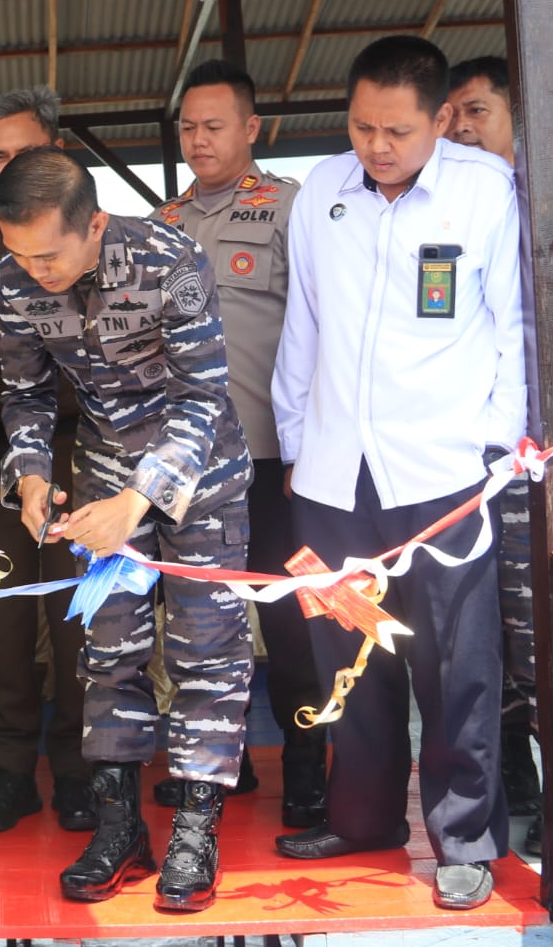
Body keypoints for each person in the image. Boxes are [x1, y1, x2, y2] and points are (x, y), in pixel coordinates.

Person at [271, 35, 524, 912]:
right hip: (336, 476)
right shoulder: (322, 193)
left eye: (398, 131)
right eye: (361, 126)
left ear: (441, 119)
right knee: (346, 648)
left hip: (444, 471)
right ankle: (365, 816)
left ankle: (463, 837)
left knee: (458, 663)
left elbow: (512, 326)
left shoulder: (484, 190)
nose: (377, 146)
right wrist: (299, 441)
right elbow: (302, 321)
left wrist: (496, 445)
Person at [0, 147, 253, 912]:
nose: (33, 271)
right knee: (108, 651)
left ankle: (196, 831)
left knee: (208, 651)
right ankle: (119, 826)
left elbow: (203, 398)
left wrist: (138, 501)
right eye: (19, 254)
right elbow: (25, 392)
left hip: (199, 477)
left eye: (48, 254)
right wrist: (32, 474)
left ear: (94, 224)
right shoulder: (11, 276)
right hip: (103, 468)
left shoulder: (170, 262)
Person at [445, 53, 553, 857]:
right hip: (457, 472)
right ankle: (512, 788)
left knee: (547, 638)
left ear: (520, 120)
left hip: (537, 473)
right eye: (450, 115)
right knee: (479, 641)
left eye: (477, 111)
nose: (460, 128)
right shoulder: (438, 211)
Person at [150, 59, 327, 826]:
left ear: (252, 129)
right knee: (200, 628)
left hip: (272, 460)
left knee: (292, 623)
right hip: (191, 468)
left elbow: (326, 335)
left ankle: (310, 768)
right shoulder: (163, 225)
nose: (198, 141)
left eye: (214, 126)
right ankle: (218, 772)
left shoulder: (294, 212)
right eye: (188, 128)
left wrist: (310, 449)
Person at [0, 87, 93, 834]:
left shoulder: (91, 235)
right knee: (2, 625)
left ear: (58, 149)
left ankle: (76, 771)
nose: (9, 166)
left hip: (81, 449)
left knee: (78, 617)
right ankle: (11, 772)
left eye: (24, 151)